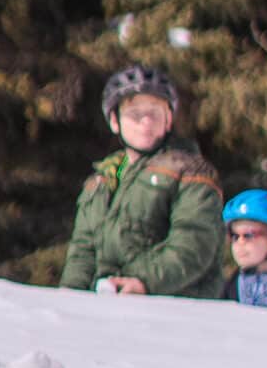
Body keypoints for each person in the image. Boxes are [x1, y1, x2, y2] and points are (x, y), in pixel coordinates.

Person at [59, 64, 224, 296]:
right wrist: (70, 297)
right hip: (106, 307)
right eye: (135, 114)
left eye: (155, 114)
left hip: (172, 309)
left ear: (168, 120)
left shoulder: (191, 171)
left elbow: (194, 245)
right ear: (114, 121)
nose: (146, 122)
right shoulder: (100, 182)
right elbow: (82, 252)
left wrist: (142, 281)